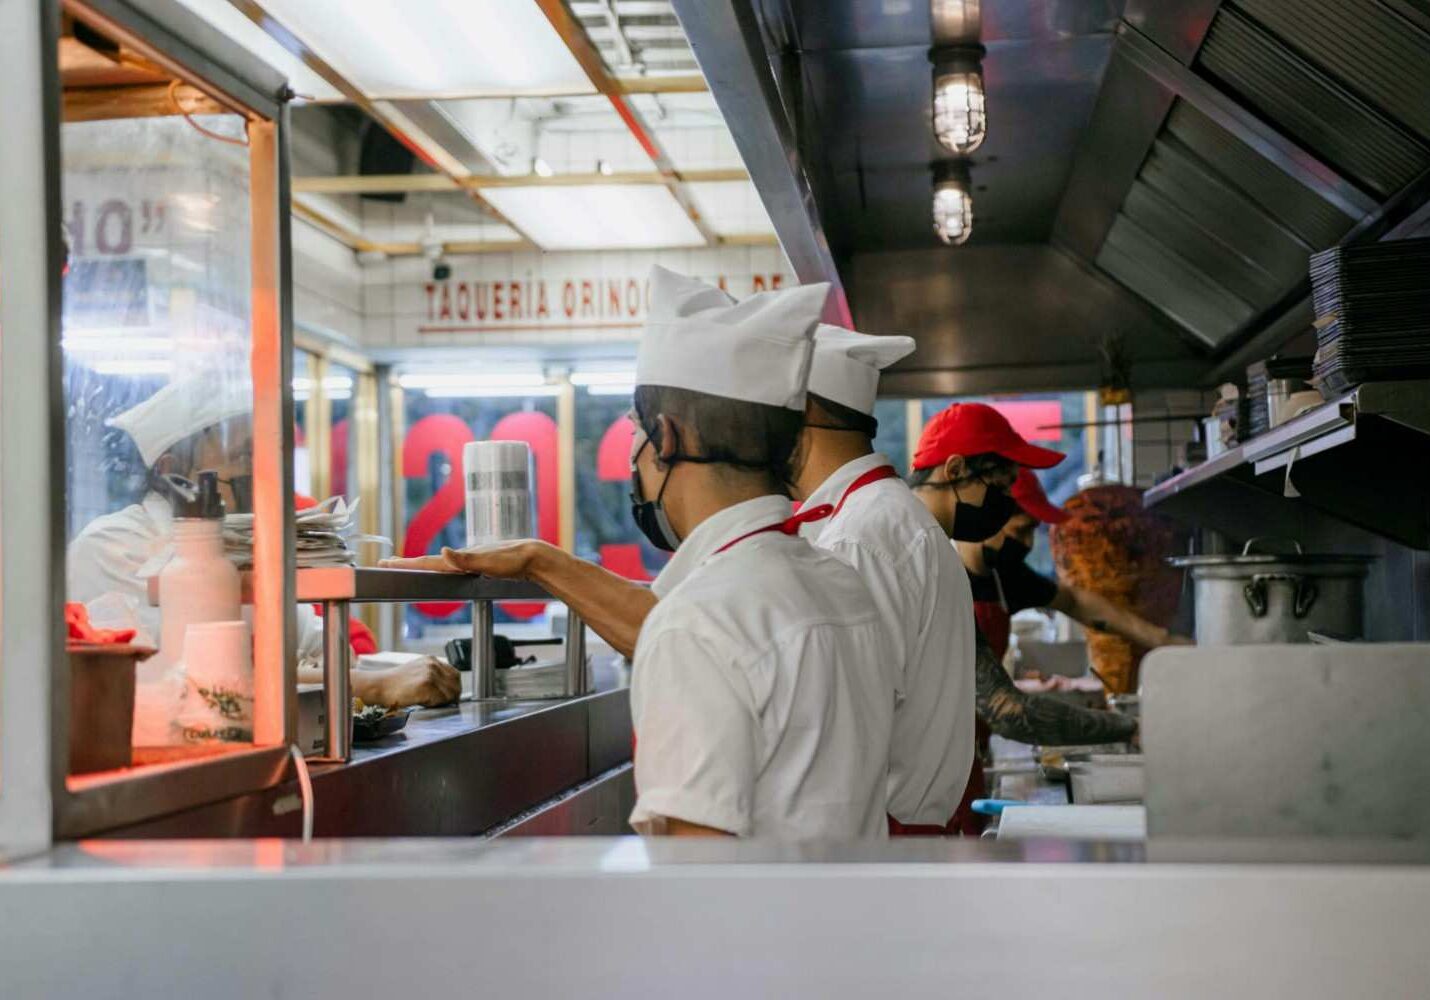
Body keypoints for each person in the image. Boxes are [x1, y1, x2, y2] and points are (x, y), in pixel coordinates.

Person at [389, 267, 894, 839]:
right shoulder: (840, 583)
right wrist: (538, 560)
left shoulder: (697, 624)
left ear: (667, 437)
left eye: (635, 432)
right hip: (850, 919)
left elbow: (692, 873)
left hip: (755, 930)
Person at [67, 372, 458, 709]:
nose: (266, 473)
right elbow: (193, 686)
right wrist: (376, 686)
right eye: (246, 455)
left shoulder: (246, 545)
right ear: (174, 473)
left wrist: (368, 676)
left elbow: (323, 651)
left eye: (271, 455)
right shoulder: (112, 547)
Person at [908, 402, 1134, 831]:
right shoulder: (917, 556)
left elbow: (1078, 603)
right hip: (915, 802)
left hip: (949, 774)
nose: (1003, 506)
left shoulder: (936, 555)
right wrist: (1128, 728)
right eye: (1000, 489)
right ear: (954, 470)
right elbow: (1008, 710)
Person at [791, 324, 976, 835]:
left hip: (880, 853)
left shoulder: (860, 539)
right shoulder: (883, 518)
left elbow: (839, 731)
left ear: (802, 412)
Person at [964, 468, 1191, 662]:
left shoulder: (1002, 577)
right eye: (1022, 530)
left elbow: (1075, 602)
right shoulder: (945, 578)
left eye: (1033, 532)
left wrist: (1163, 640)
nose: (1028, 544)